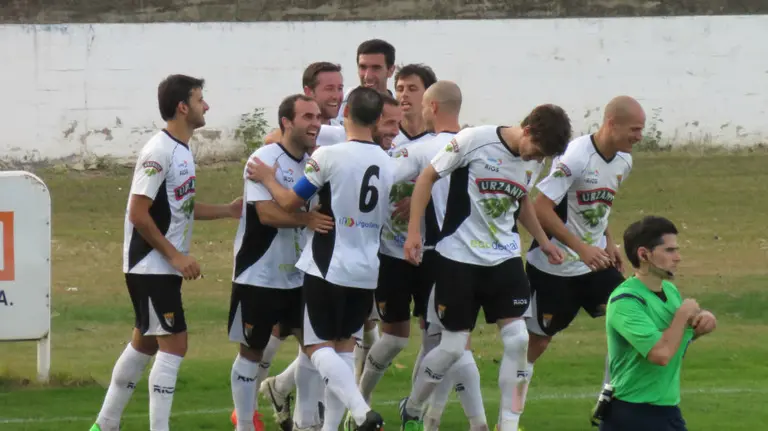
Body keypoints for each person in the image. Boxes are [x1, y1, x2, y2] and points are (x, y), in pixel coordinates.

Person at [399, 105, 573, 431]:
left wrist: (543, 241)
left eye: (543, 157)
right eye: (537, 151)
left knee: (519, 340)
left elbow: (519, 199)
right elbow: (427, 177)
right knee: (451, 348)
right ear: (528, 128)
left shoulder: (535, 159)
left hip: (504, 258)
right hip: (458, 257)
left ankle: (508, 425)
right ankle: (412, 406)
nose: (537, 159)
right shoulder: (474, 140)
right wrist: (413, 233)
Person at [90, 74, 242, 431]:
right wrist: (175, 255)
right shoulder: (158, 151)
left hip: (158, 266)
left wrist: (227, 210)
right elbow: (138, 213)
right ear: (182, 106)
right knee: (175, 343)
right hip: (150, 264)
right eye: (201, 99)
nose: (207, 106)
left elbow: (180, 207)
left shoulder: (182, 149)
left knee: (145, 342)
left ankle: (105, 423)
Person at [248, 94, 401, 431]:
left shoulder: (328, 156)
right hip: (367, 270)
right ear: (378, 121)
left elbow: (289, 202)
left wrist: (267, 178)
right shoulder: (390, 162)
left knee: (317, 348)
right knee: (344, 351)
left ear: (345, 113)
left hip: (327, 264)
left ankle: (362, 412)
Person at [352, 81, 487, 431]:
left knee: (446, 342)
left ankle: (428, 417)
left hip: (441, 257)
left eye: (413, 90)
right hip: (396, 255)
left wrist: (417, 194)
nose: (406, 97)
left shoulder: (445, 145)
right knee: (401, 338)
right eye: (400, 89)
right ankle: (361, 400)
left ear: (430, 104)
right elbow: (377, 181)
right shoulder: (397, 147)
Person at [514, 96, 643, 428]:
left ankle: (608, 397)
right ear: (611, 123)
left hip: (596, 263)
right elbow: (540, 207)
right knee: (537, 342)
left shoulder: (624, 161)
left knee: (628, 319)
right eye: (635, 129)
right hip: (554, 267)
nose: (639, 136)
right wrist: (581, 247)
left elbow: (599, 207)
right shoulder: (575, 157)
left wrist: (609, 243)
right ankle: (509, 413)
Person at [228, 94, 335, 431]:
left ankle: (308, 424)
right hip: (259, 274)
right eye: (307, 116)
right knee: (251, 352)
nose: (315, 123)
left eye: (317, 117)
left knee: (314, 349)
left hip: (302, 275)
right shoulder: (263, 159)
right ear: (287, 122)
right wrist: (307, 220)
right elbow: (267, 214)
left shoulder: (315, 163)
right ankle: (244, 424)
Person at [598, 215, 716, 430]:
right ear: (644, 254)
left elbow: (675, 343)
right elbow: (660, 354)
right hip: (633, 413)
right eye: (669, 250)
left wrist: (700, 325)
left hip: (666, 409)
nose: (678, 257)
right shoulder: (626, 301)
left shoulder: (669, 291)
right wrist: (682, 316)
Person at [335, 39, 397, 127]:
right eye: (363, 67)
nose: (368, 76)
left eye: (376, 68)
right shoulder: (340, 104)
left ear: (391, 71)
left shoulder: (400, 109)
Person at [391, 64, 437, 149]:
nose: (404, 94)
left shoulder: (440, 140)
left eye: (412, 89)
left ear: (428, 94)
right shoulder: (388, 137)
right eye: (400, 89)